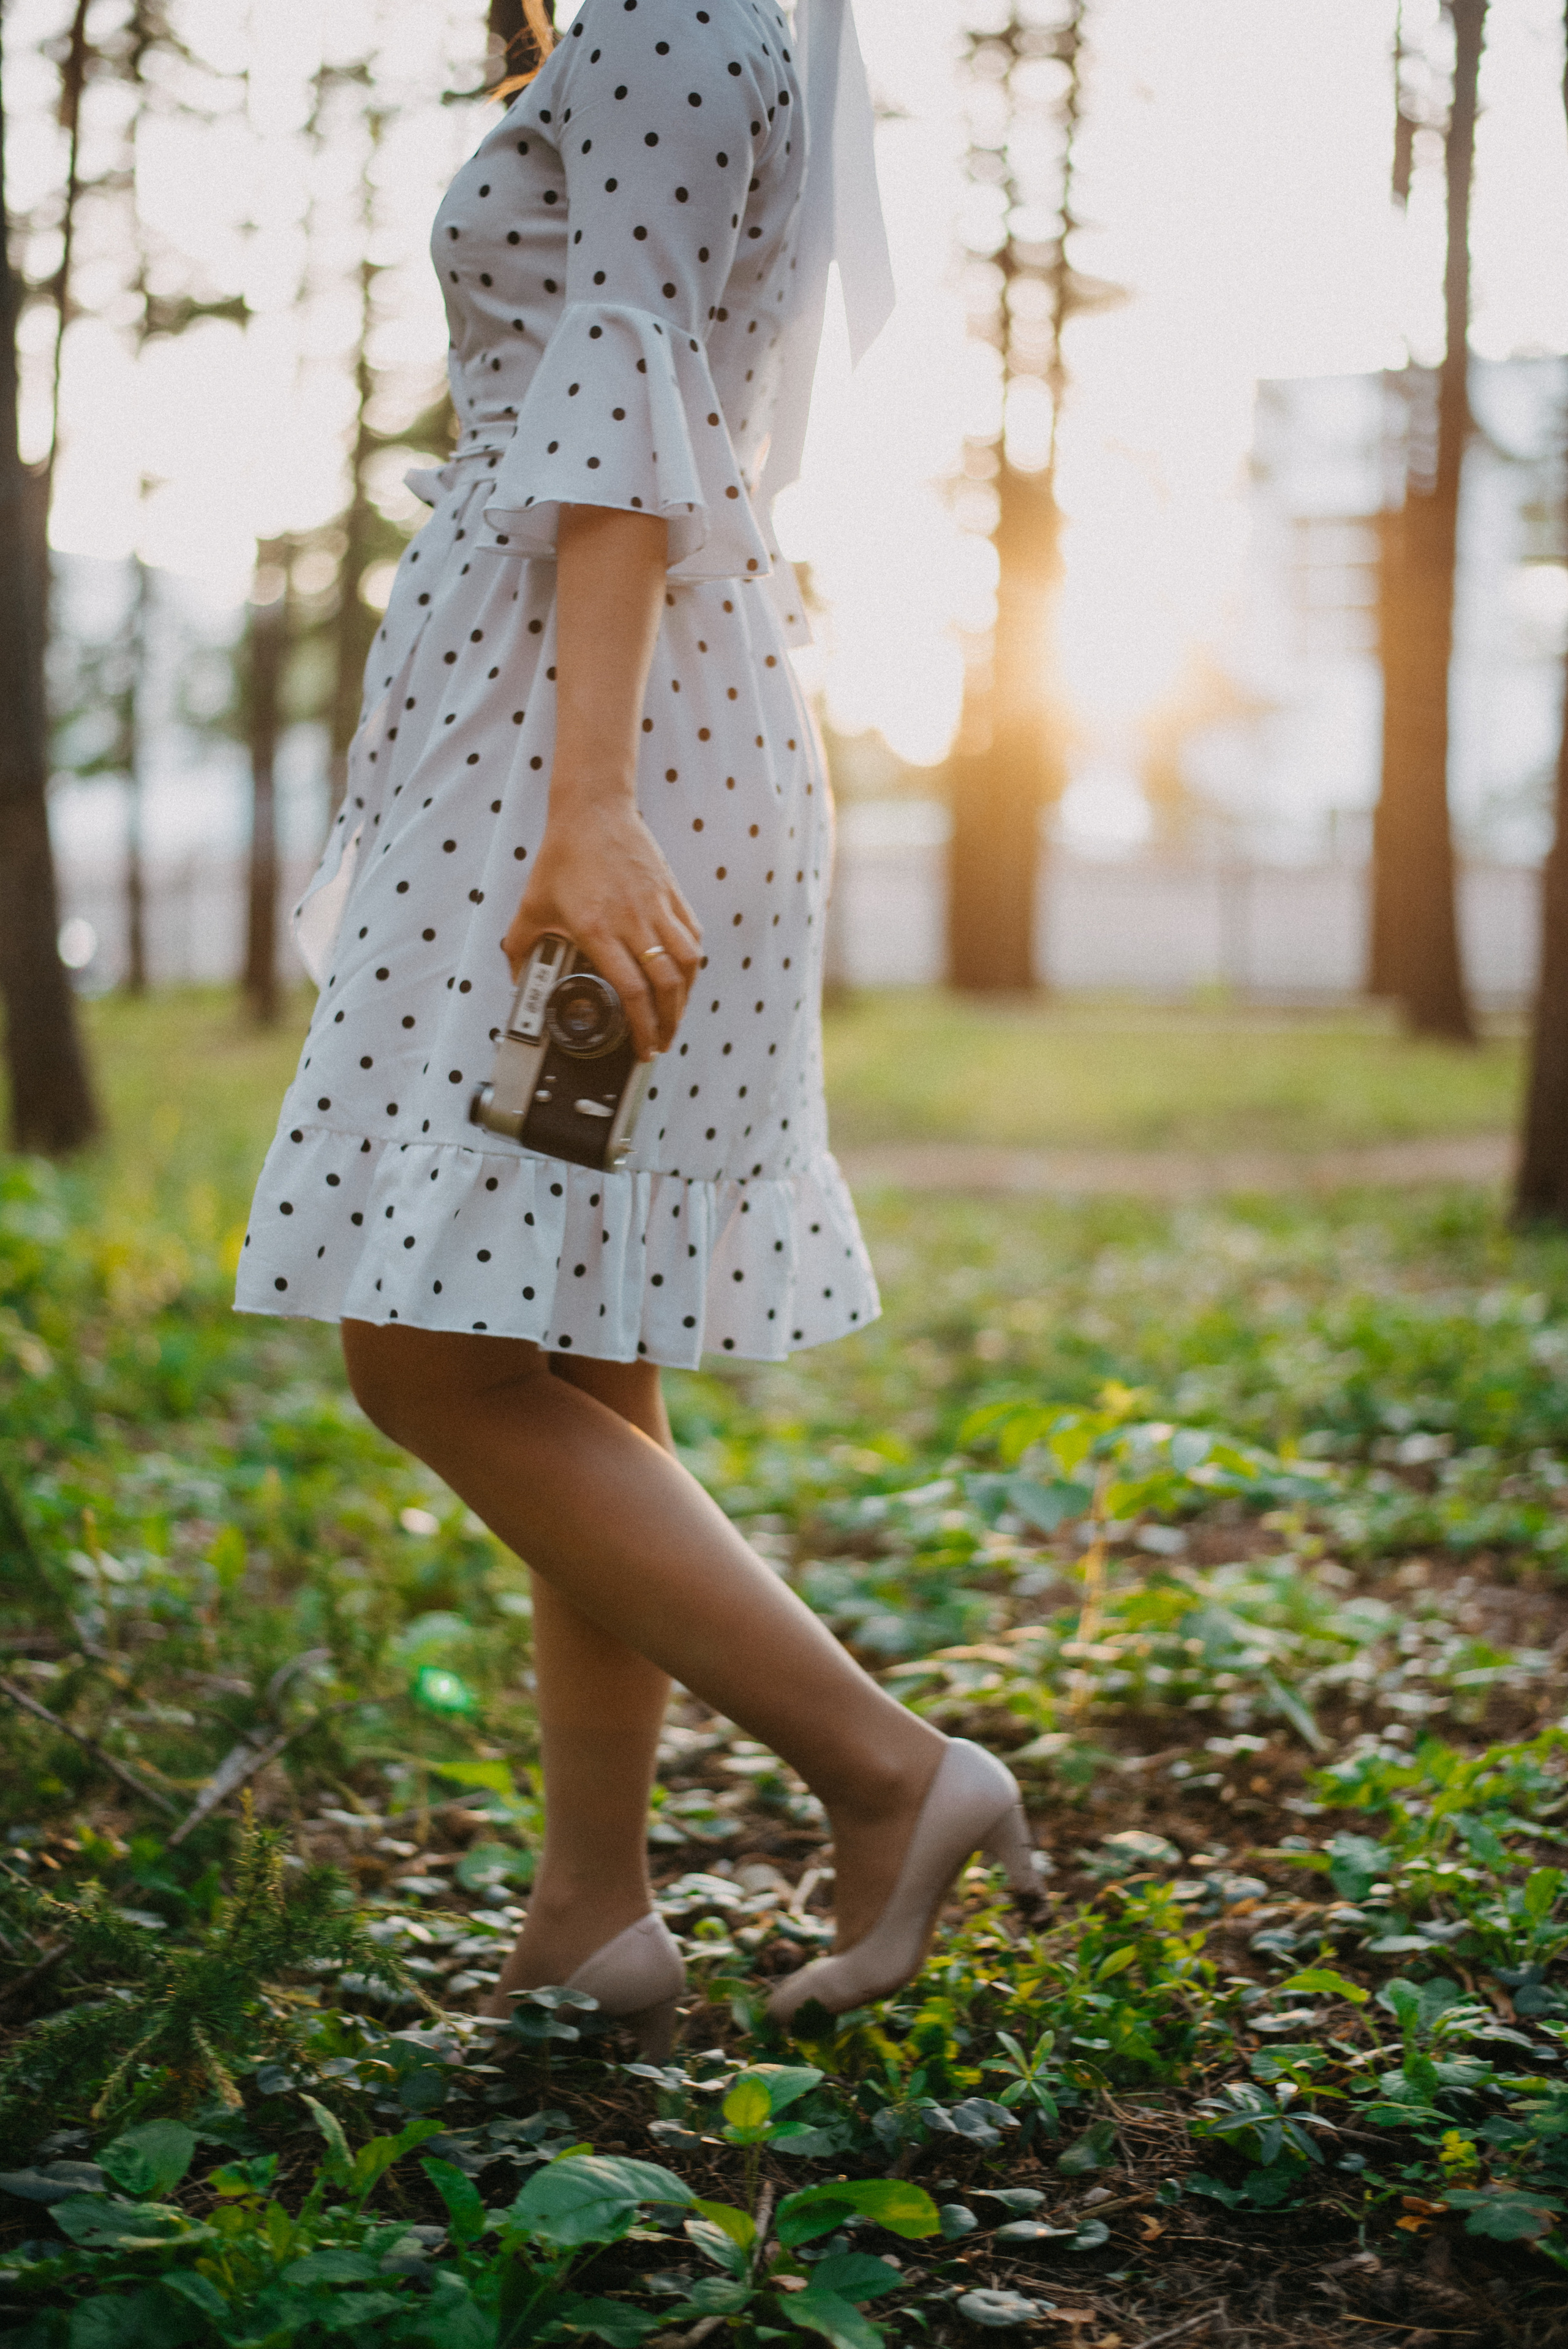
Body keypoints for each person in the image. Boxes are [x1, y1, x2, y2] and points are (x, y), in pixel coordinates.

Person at [236, 0, 1035, 2055]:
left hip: (596, 758)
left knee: (427, 1351)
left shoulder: (684, 16)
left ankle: (886, 1771)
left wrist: (588, 805)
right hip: (577, 733)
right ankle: (593, 1921)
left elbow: (635, 408)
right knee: (567, 1325)